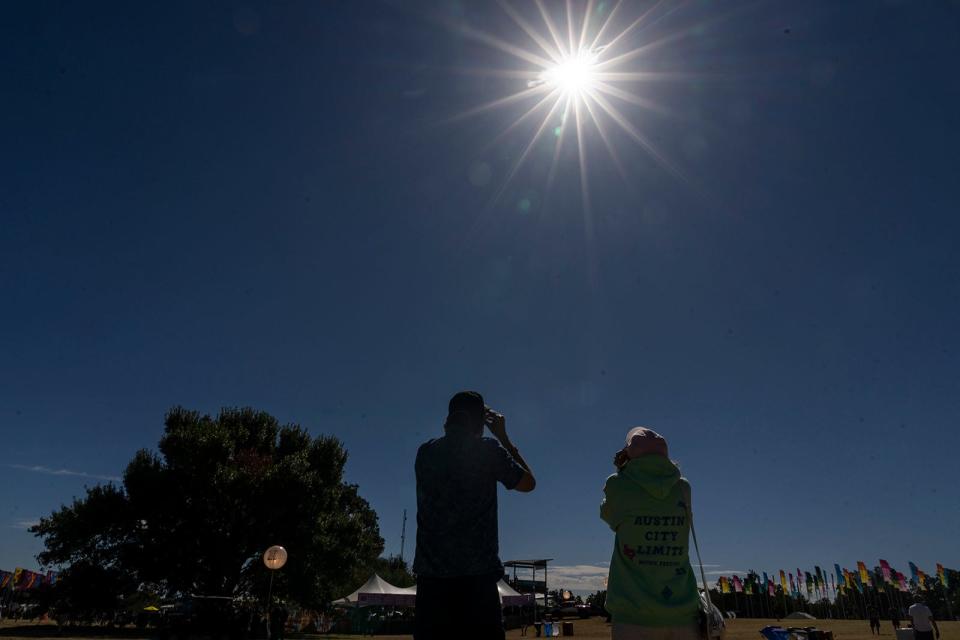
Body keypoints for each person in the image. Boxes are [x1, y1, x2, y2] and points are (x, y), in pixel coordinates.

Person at [413, 391, 536, 640]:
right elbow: (528, 483)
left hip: (432, 582)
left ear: (449, 418)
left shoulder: (425, 453)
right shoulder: (488, 451)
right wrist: (503, 437)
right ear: (480, 421)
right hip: (477, 581)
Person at [601, 427, 700, 640]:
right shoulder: (683, 488)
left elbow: (609, 517)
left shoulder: (617, 485)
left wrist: (622, 470)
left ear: (627, 454)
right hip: (683, 614)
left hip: (632, 615)